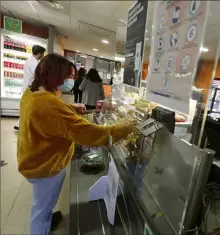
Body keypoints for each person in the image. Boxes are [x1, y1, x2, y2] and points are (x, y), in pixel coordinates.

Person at [17, 53, 135, 234]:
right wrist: (124, 128)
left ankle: (47, 217)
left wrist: (69, 108)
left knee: (43, 202)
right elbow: (89, 134)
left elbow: (43, 117)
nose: (70, 81)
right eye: (68, 77)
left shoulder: (31, 93)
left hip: (32, 157)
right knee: (40, 210)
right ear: (55, 75)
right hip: (46, 165)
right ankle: (41, 227)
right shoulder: (49, 103)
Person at [14, 45, 46, 131]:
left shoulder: (30, 60)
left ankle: (19, 124)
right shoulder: (34, 63)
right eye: (43, 53)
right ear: (39, 53)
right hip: (30, 88)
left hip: (27, 87)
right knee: (28, 107)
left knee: (26, 107)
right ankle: (21, 125)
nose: (43, 55)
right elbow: (37, 76)